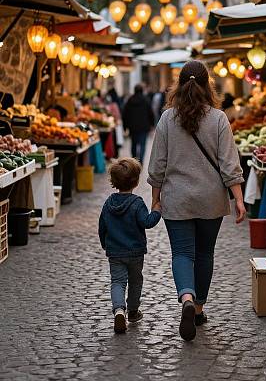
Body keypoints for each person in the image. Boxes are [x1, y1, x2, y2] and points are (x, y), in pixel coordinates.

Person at [147, 60, 246, 342]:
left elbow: (157, 165)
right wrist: (238, 200)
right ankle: (199, 308)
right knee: (204, 254)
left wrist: (156, 199)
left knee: (182, 253)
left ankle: (186, 298)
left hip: (177, 198)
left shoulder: (167, 119)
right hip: (211, 199)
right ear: (207, 85)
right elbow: (230, 165)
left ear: (178, 85)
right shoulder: (218, 119)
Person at [98, 158, 161, 333]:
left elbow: (102, 227)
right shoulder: (137, 203)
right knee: (135, 281)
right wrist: (157, 210)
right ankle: (132, 311)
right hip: (135, 252)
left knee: (117, 282)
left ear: (114, 181)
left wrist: (105, 244)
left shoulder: (108, 203)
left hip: (115, 252)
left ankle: (119, 310)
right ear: (136, 181)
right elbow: (147, 222)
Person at [122, 84, 155, 163]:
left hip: (132, 127)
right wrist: (152, 124)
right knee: (142, 144)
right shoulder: (146, 100)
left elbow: (125, 114)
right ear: (142, 90)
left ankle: (134, 160)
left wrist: (125, 126)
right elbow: (151, 113)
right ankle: (141, 160)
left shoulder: (130, 100)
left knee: (133, 144)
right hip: (144, 127)